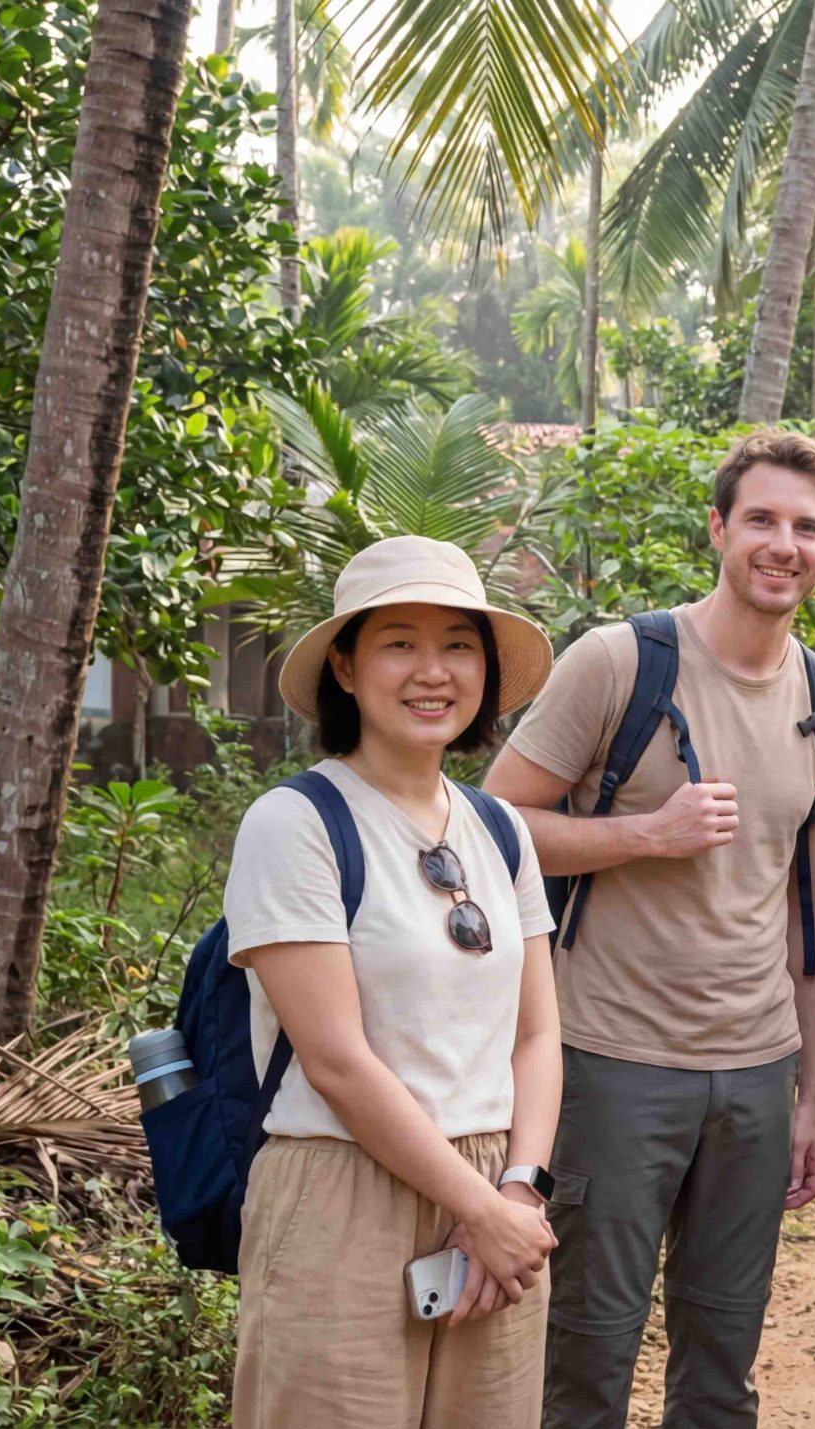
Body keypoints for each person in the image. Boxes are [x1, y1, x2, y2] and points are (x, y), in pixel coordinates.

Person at [483, 430, 815, 1427]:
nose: (785, 544)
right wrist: (643, 832)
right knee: (587, 1358)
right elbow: (492, 827)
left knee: (721, 1367)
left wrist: (809, 1099)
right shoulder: (619, 663)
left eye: (807, 528)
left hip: (754, 1072)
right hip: (610, 1059)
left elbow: (812, 916)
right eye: (764, 520)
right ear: (718, 529)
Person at [224, 535, 561, 1427]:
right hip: (341, 1185)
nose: (433, 670)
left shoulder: (502, 830)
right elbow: (334, 1058)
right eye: (399, 642)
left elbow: (536, 1034)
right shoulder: (294, 823)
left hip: (500, 1188)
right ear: (345, 663)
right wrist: (478, 1208)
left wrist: (518, 1192)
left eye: (458, 643)